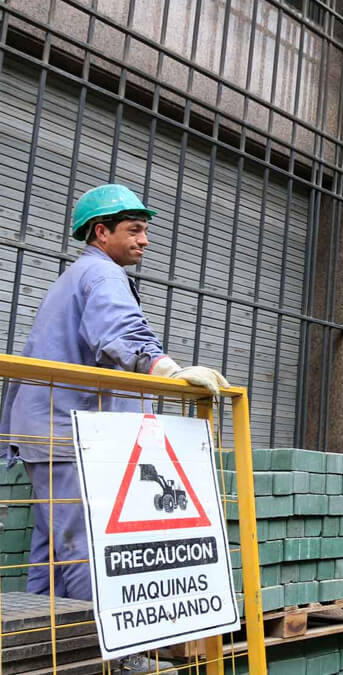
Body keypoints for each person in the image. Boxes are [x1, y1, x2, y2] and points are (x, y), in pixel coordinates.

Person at [0, 184, 231, 601]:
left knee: (54, 547)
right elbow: (119, 331)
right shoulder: (103, 274)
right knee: (86, 548)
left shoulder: (77, 276)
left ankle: (38, 643)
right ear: (101, 233)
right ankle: (103, 657)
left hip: (50, 432)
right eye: (135, 229)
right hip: (67, 434)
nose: (145, 239)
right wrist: (170, 370)